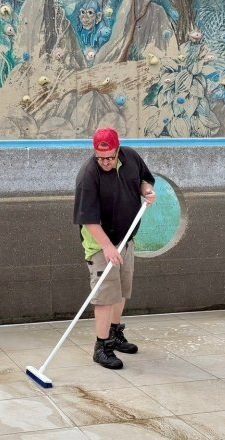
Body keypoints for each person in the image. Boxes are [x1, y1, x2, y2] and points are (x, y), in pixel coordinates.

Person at [73, 127, 156, 369]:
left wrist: (147, 191)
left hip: (126, 237)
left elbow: (144, 179)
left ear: (118, 150)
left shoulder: (131, 157)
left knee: (121, 291)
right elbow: (87, 219)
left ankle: (115, 333)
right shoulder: (88, 175)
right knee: (105, 296)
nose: (106, 162)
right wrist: (108, 247)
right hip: (100, 243)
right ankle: (102, 347)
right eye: (101, 158)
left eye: (110, 157)